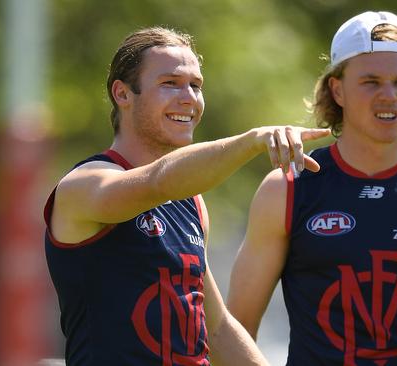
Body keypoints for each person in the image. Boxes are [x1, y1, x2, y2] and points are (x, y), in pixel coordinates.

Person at [227, 11, 397, 366]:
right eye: (371, 82)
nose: (389, 96)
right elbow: (234, 328)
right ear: (337, 89)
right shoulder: (287, 187)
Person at [43, 26, 330, 366]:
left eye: (196, 85)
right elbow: (157, 181)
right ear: (122, 93)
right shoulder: (83, 185)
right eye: (170, 84)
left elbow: (218, 329)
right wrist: (252, 141)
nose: (189, 99)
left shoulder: (190, 202)